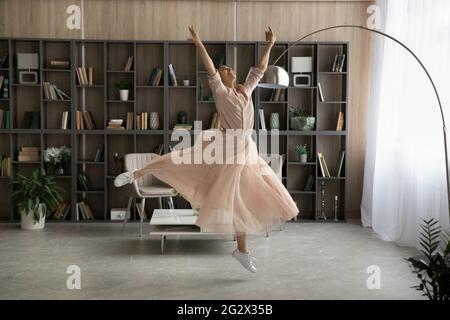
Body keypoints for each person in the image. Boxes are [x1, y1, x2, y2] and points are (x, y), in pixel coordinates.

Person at [114, 25, 299, 273]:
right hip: (228, 149)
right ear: (220, 78)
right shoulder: (220, 92)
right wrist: (198, 42)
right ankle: (134, 174)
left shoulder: (246, 90)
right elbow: (209, 65)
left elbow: (261, 68)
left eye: (230, 68)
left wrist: (270, 43)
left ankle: (242, 251)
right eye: (225, 69)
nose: (229, 69)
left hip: (246, 150)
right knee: (178, 158)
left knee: (240, 201)